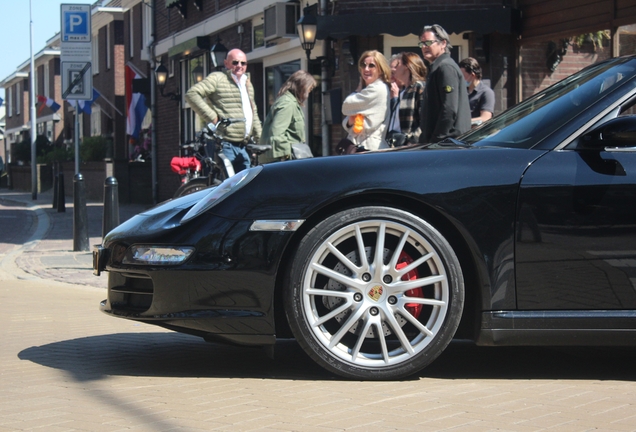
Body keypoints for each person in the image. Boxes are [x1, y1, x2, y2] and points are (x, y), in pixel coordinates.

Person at [185, 48, 262, 174]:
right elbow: (192, 94)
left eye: (243, 63)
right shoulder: (218, 78)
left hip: (243, 146)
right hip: (225, 144)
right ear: (226, 63)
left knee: (245, 185)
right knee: (228, 186)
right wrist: (213, 118)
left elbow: (253, 113)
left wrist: (260, 140)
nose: (239, 66)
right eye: (235, 62)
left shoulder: (247, 84)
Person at [418, 24, 471, 143]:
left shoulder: (445, 67)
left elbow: (449, 108)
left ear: (443, 43)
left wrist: (437, 139)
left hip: (447, 143)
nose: (424, 47)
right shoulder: (436, 68)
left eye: (428, 43)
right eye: (422, 44)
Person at [260, 70, 317, 163]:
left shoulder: (290, 101)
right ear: (302, 86)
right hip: (280, 161)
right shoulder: (287, 103)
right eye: (309, 89)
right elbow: (276, 133)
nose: (309, 93)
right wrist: (289, 154)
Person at [340, 50, 391, 151]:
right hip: (360, 145)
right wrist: (350, 122)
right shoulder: (368, 90)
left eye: (371, 65)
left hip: (370, 148)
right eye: (363, 65)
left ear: (380, 70)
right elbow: (348, 121)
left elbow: (346, 106)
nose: (366, 69)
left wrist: (357, 90)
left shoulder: (378, 88)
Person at [387, 52, 427, 146]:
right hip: (397, 145)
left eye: (397, 65)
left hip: (411, 147)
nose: (394, 69)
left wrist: (411, 141)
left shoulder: (419, 87)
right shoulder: (404, 91)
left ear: (407, 66)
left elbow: (426, 121)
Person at [458, 57, 495, 127]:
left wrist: (463, 122)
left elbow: (485, 118)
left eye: (462, 76)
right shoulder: (462, 91)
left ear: (472, 75)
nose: (460, 79)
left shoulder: (486, 93)